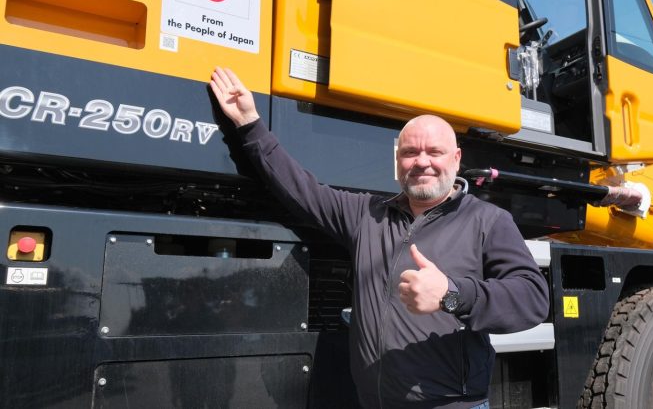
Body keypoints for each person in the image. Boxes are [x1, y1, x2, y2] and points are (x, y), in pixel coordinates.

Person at [210, 67, 550, 409]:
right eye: (410, 152)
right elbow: (302, 190)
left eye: (434, 152)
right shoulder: (367, 215)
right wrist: (249, 124)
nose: (422, 162)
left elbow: (533, 299)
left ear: (456, 159)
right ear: (397, 160)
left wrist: (452, 295)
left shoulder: (487, 220)